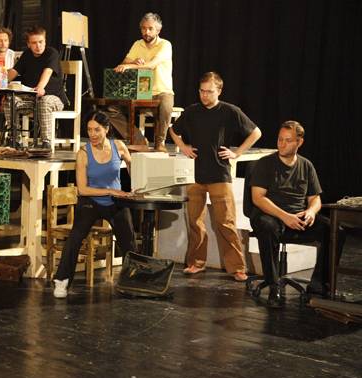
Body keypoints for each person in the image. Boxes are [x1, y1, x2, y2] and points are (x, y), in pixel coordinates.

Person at [169, 71, 262, 282]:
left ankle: (237, 268)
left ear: (219, 90)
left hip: (220, 173)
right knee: (195, 222)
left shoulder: (229, 111)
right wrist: (183, 147)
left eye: (209, 91)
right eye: (202, 91)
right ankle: (196, 262)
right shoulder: (192, 111)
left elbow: (256, 132)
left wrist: (237, 153)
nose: (204, 95)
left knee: (225, 222)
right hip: (195, 174)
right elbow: (173, 130)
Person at [250, 121, 344, 307]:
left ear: (299, 142)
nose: (282, 144)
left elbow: (315, 199)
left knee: (335, 231)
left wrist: (311, 211)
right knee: (267, 226)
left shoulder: (306, 165)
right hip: (271, 215)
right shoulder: (265, 164)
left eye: (288, 140)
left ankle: (318, 285)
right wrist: (285, 216)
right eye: (280, 140)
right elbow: (258, 198)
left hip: (297, 217)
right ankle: (274, 286)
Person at [53, 111, 136, 298]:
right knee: (75, 238)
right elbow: (83, 189)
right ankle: (62, 280)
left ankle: (132, 280)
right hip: (91, 200)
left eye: (97, 130)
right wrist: (111, 191)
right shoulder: (83, 153)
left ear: (106, 129)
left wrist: (137, 184)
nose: (92, 134)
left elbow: (134, 167)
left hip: (115, 201)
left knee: (129, 240)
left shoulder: (119, 146)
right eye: (89, 130)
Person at [113, 12, 174, 151]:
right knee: (112, 108)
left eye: (150, 28)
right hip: (140, 92)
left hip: (162, 91)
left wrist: (130, 66)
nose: (146, 32)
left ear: (158, 30)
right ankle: (139, 139)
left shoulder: (165, 45)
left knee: (166, 106)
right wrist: (133, 61)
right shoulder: (137, 44)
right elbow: (123, 64)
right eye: (144, 28)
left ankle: (160, 142)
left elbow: (151, 65)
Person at [5, 25, 67, 148]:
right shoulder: (27, 55)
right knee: (10, 100)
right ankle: (14, 138)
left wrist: (40, 87)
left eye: (41, 42)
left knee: (45, 101)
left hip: (54, 98)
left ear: (45, 41)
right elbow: (14, 72)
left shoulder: (51, 53)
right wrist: (0, 82)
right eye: (34, 43)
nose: (38, 46)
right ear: (28, 44)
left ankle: (46, 142)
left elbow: (47, 71)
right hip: (30, 99)